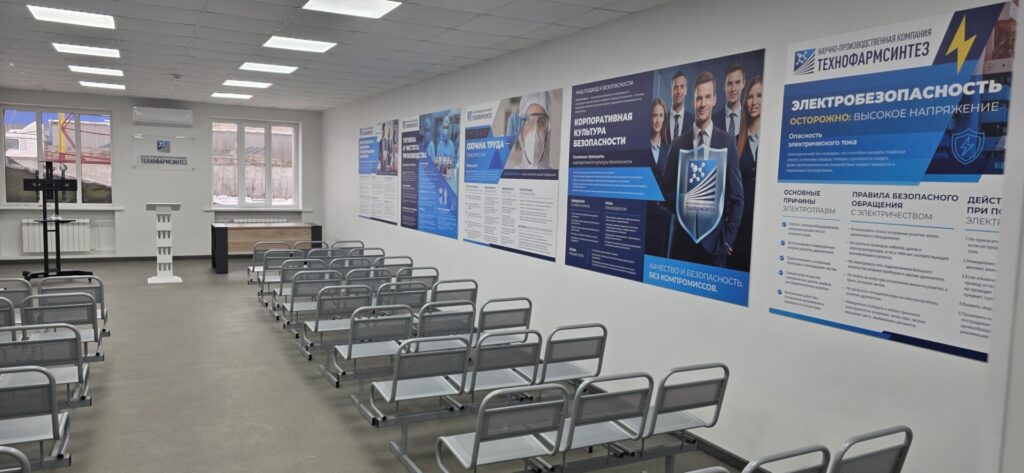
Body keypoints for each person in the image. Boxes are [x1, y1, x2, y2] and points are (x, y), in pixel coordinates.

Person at [658, 71, 744, 267]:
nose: (702, 103)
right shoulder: (678, 144)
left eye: (707, 97)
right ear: (693, 101)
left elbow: (737, 198)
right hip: (681, 245)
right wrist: (685, 200)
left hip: (714, 247)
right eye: (698, 98)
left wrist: (727, 239)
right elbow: (663, 194)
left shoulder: (727, 142)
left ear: (714, 99)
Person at [728, 75, 762, 271]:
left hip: (762, 231)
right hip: (738, 233)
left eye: (759, 96)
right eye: (750, 97)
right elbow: (726, 193)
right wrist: (728, 236)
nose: (754, 102)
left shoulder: (775, 141)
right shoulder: (734, 142)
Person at [646, 98, 671, 256]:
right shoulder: (641, 147)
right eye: (654, 115)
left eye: (661, 115)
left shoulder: (669, 149)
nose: (657, 120)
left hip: (662, 218)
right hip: (644, 216)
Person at [509, 92, 552, 169]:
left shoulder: (558, 175)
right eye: (529, 121)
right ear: (521, 130)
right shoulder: (510, 173)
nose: (535, 132)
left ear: (548, 130)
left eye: (542, 121)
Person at [713, 63, 745, 138]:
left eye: (737, 82)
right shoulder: (713, 121)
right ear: (724, 85)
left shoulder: (749, 119)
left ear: (743, 84)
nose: (733, 89)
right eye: (729, 83)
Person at [668, 70, 693, 142]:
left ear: (686, 90)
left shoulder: (694, 121)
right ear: (670, 92)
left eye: (682, 87)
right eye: (675, 87)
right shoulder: (662, 120)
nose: (678, 92)